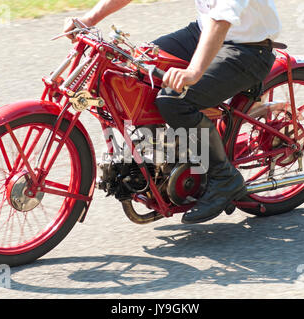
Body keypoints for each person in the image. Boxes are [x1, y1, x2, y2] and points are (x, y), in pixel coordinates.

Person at [64, 0, 282, 224]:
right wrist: (88, 20)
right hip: (202, 31)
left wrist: (193, 72)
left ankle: (224, 176)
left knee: (174, 100)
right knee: (133, 75)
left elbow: (222, 20)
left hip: (248, 48)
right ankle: (156, 161)